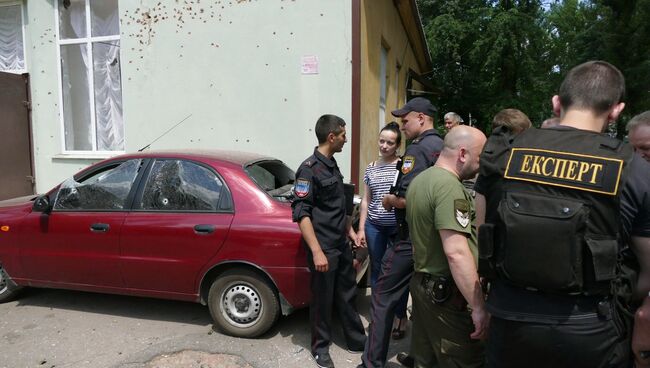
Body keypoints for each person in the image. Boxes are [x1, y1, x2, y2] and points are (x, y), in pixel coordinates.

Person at [476, 60, 650, 368]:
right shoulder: (634, 168)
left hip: (509, 320)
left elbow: (483, 232)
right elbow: (647, 271)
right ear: (616, 111)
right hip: (590, 328)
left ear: (557, 103)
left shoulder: (503, 153)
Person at [358, 97, 444, 368]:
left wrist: (389, 200)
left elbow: (409, 199)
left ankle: (372, 362)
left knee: (382, 295)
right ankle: (421, 357)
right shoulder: (441, 146)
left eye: (406, 120)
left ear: (421, 118)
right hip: (432, 238)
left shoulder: (417, 151)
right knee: (422, 299)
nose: (403, 125)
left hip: (409, 237)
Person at [406, 125, 489, 368]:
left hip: (423, 285)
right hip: (446, 297)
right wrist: (478, 307)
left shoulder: (421, 180)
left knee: (425, 359)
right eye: (479, 157)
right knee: (464, 359)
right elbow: (456, 251)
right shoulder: (450, 188)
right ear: (463, 154)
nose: (480, 164)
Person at [292, 114, 366, 368]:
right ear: (331, 137)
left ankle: (357, 340)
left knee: (347, 295)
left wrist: (350, 232)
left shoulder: (332, 164)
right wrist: (317, 252)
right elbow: (302, 215)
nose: (346, 139)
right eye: (344, 135)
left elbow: (337, 206)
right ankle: (320, 348)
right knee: (322, 302)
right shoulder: (308, 169)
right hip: (324, 248)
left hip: (341, 244)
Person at [357, 122, 409, 339]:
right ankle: (379, 316)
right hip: (375, 226)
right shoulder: (371, 167)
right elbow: (366, 200)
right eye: (382, 141)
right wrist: (361, 228)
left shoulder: (404, 166)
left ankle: (399, 316)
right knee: (377, 270)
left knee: (399, 273)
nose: (384, 146)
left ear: (397, 145)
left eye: (390, 142)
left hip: (397, 228)